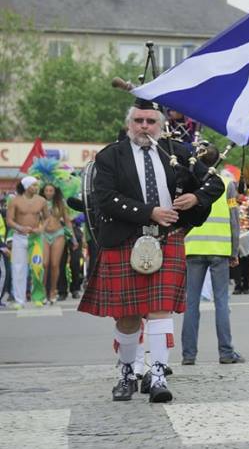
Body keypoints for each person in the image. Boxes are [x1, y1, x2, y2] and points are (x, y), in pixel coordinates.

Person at [78, 97, 224, 402]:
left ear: (161, 125)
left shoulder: (177, 152)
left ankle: (157, 375)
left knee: (160, 311)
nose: (144, 126)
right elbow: (105, 198)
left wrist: (196, 198)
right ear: (129, 123)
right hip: (125, 238)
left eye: (151, 121)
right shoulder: (110, 156)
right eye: (138, 121)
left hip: (166, 238)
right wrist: (149, 212)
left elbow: (215, 184)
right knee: (127, 316)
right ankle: (127, 373)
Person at [181, 144, 245, 366]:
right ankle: (226, 352)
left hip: (192, 248)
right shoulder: (226, 184)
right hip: (219, 249)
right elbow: (234, 220)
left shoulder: (189, 183)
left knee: (191, 303)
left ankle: (188, 355)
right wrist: (234, 249)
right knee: (221, 302)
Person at [6, 176, 46, 309]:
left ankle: (38, 297)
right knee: (18, 268)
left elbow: (47, 217)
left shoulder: (41, 200)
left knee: (37, 267)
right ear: (26, 186)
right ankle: (19, 300)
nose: (36, 187)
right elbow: (9, 220)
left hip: (35, 239)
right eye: (34, 185)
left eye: (36, 185)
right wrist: (20, 227)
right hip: (19, 237)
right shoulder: (15, 201)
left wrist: (41, 228)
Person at [40, 184, 71, 304]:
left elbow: (67, 221)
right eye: (46, 190)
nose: (48, 192)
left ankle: (53, 291)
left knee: (54, 265)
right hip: (43, 235)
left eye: (51, 190)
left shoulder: (60, 203)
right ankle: (42, 291)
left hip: (58, 234)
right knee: (44, 264)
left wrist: (72, 238)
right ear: (43, 192)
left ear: (55, 192)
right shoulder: (39, 203)